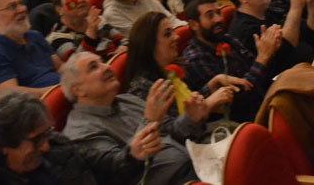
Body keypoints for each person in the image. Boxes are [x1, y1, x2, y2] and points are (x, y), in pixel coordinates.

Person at [62, 51, 219, 185]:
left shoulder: (127, 99)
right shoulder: (80, 131)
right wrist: (149, 122)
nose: (107, 67)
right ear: (78, 90)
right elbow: (119, 170)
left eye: (103, 62)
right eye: (94, 67)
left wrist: (191, 119)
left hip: (197, 163)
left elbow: (172, 132)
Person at [181, 0, 281, 122]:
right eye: (210, 15)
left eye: (218, 12)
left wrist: (270, 51)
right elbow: (238, 99)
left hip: (263, 100)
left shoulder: (227, 39)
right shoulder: (195, 59)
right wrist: (262, 57)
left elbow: (261, 76)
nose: (218, 19)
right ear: (194, 25)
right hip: (242, 120)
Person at [0, 89, 97, 185]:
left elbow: (94, 160)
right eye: (37, 140)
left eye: (46, 134)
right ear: (4, 144)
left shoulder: (55, 144)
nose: (46, 147)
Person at [124, 12, 238, 119]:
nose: (176, 37)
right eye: (167, 34)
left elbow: (186, 104)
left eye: (173, 31)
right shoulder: (143, 88)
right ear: (149, 45)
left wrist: (210, 86)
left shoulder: (175, 68)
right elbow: (167, 129)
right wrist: (208, 104)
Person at [226, 0, 314, 77]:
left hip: (308, 68)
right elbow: (286, 49)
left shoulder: (268, 12)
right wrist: (296, 7)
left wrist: (313, 6)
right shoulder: (244, 31)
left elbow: (313, 33)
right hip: (286, 81)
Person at [0, 0, 62, 97]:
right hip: (40, 103)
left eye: (21, 3)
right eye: (12, 6)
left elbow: (60, 67)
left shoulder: (34, 36)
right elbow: (10, 94)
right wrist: (58, 91)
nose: (22, 9)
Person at [46, 0, 124, 62]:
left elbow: (122, 40)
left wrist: (123, 47)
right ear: (59, 9)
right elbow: (77, 64)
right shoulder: (57, 38)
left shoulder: (98, 20)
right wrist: (91, 31)